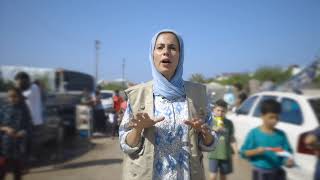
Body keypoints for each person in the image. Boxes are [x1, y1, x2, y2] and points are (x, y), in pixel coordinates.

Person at [119, 29, 218, 180]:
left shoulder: (197, 94)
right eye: (160, 47)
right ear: (152, 54)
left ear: (180, 55)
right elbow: (126, 145)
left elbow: (211, 142)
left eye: (172, 48)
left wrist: (205, 133)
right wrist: (138, 129)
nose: (166, 52)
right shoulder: (137, 96)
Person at [240, 99, 295, 180]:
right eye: (271, 117)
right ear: (262, 116)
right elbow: (243, 153)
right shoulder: (254, 134)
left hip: (277, 173)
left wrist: (288, 162)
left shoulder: (281, 135)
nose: (274, 121)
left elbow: (286, 154)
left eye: (277, 117)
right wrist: (256, 151)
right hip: (260, 174)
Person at [0, 87, 32, 180]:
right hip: (4, 146)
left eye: (15, 96)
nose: (12, 98)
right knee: (2, 171)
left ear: (19, 97)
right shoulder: (3, 109)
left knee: (17, 173)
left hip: (19, 146)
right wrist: (6, 128)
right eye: (10, 96)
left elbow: (29, 126)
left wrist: (24, 131)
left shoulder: (24, 109)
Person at [208, 99, 237, 180]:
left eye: (223, 111)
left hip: (225, 154)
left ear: (226, 111)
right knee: (213, 176)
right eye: (218, 110)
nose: (220, 113)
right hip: (213, 154)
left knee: (223, 176)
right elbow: (206, 136)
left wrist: (236, 151)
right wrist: (214, 129)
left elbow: (232, 138)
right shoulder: (210, 121)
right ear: (213, 110)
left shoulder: (229, 123)